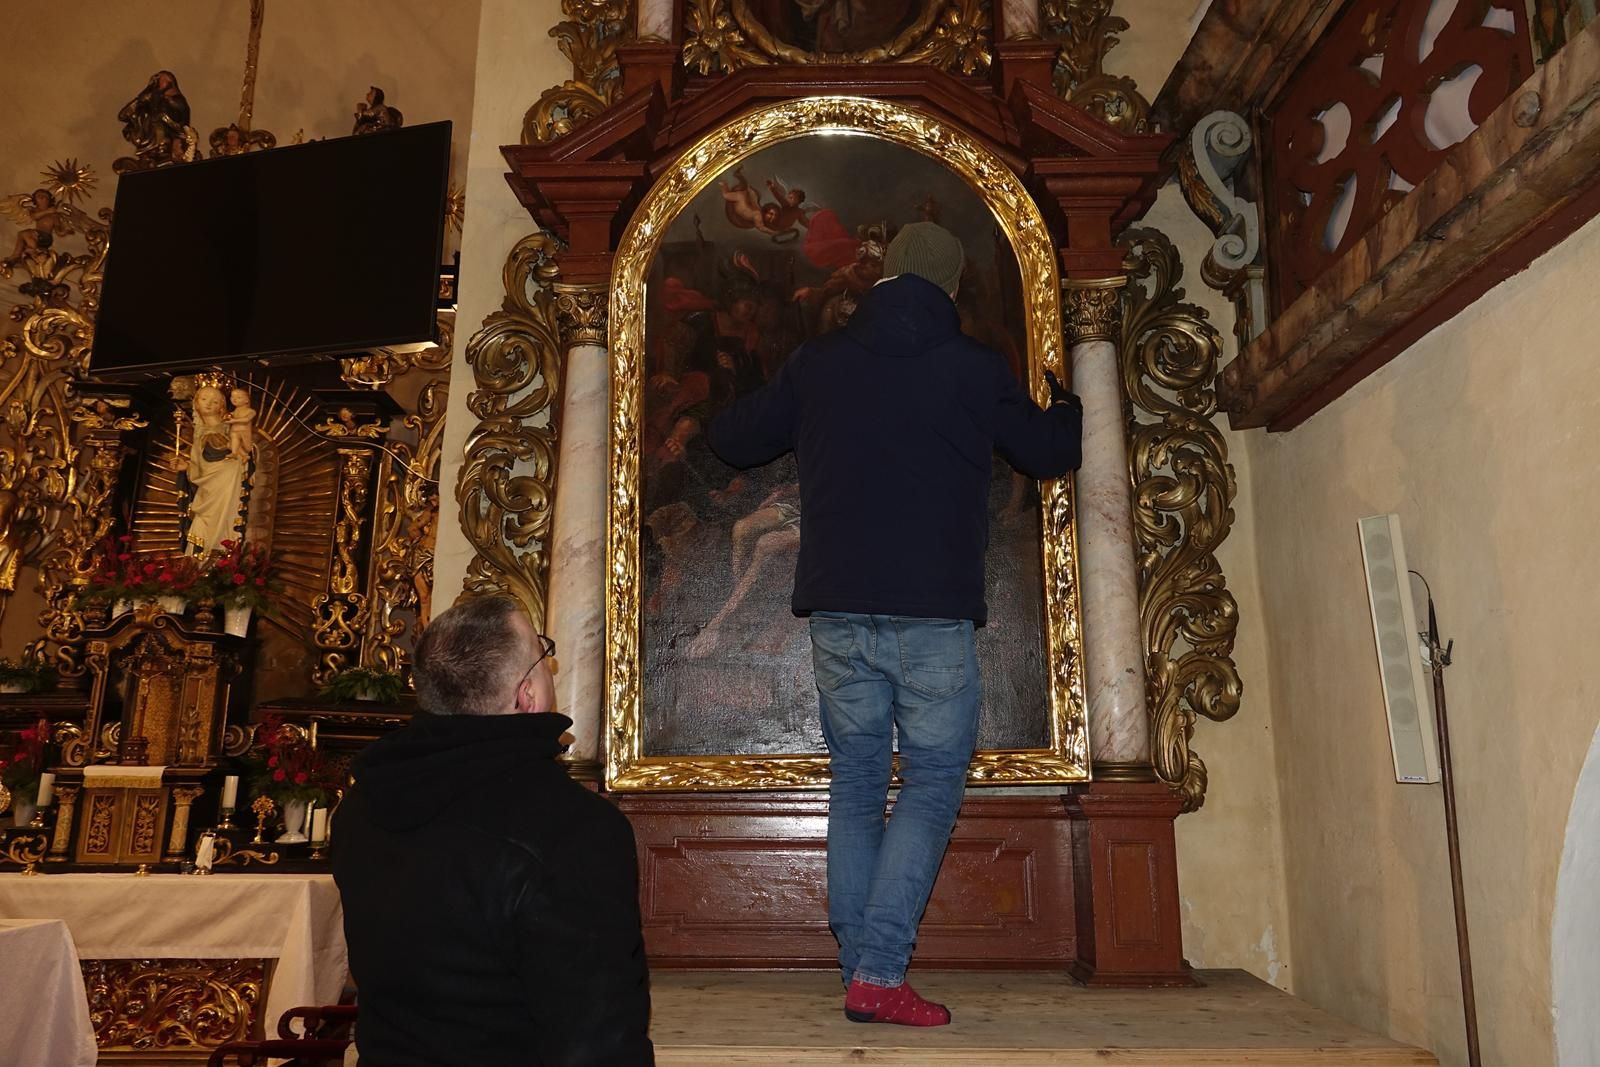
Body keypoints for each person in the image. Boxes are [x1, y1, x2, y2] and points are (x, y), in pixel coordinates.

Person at [706, 221, 1083, 1027]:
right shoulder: (975, 366)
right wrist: (1069, 404)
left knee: (858, 781)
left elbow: (734, 439)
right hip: (933, 614)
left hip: (837, 608)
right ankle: (877, 971)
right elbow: (1049, 453)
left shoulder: (819, 362)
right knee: (932, 783)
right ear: (950, 288)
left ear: (881, 279)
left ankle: (861, 969)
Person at [332, 596, 654, 1066]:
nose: (551, 667)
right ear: (527, 695)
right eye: (544, 654)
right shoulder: (573, 826)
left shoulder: (360, 805)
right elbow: (597, 1040)